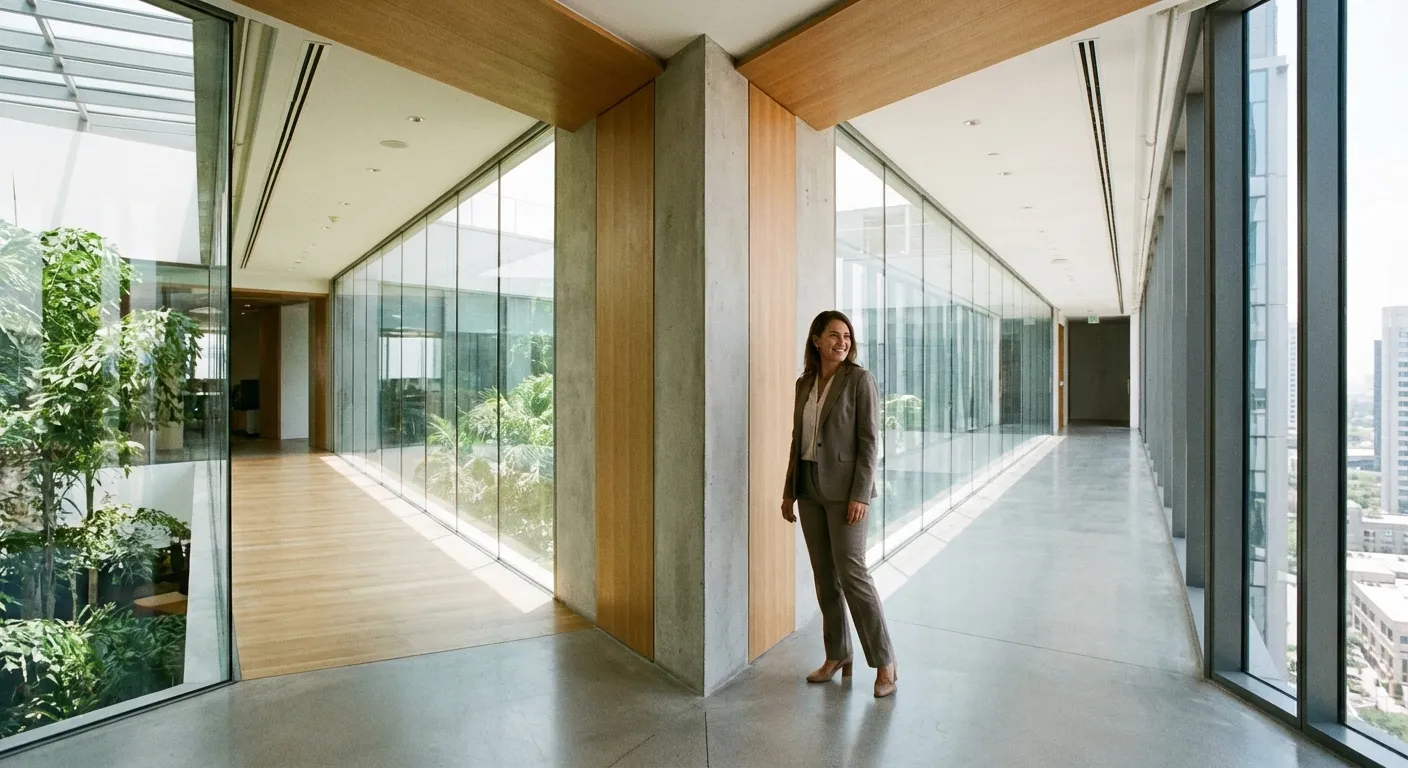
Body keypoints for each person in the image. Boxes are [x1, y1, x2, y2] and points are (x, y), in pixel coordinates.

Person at [781, 310, 897, 698]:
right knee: (823, 576)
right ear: (816, 340)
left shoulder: (859, 380)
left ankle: (885, 663)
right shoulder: (805, 383)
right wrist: (789, 490)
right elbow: (797, 440)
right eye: (833, 335)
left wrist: (860, 494)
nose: (842, 342)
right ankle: (837, 654)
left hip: (847, 492)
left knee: (852, 574)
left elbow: (869, 442)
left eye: (846, 336)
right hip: (809, 489)